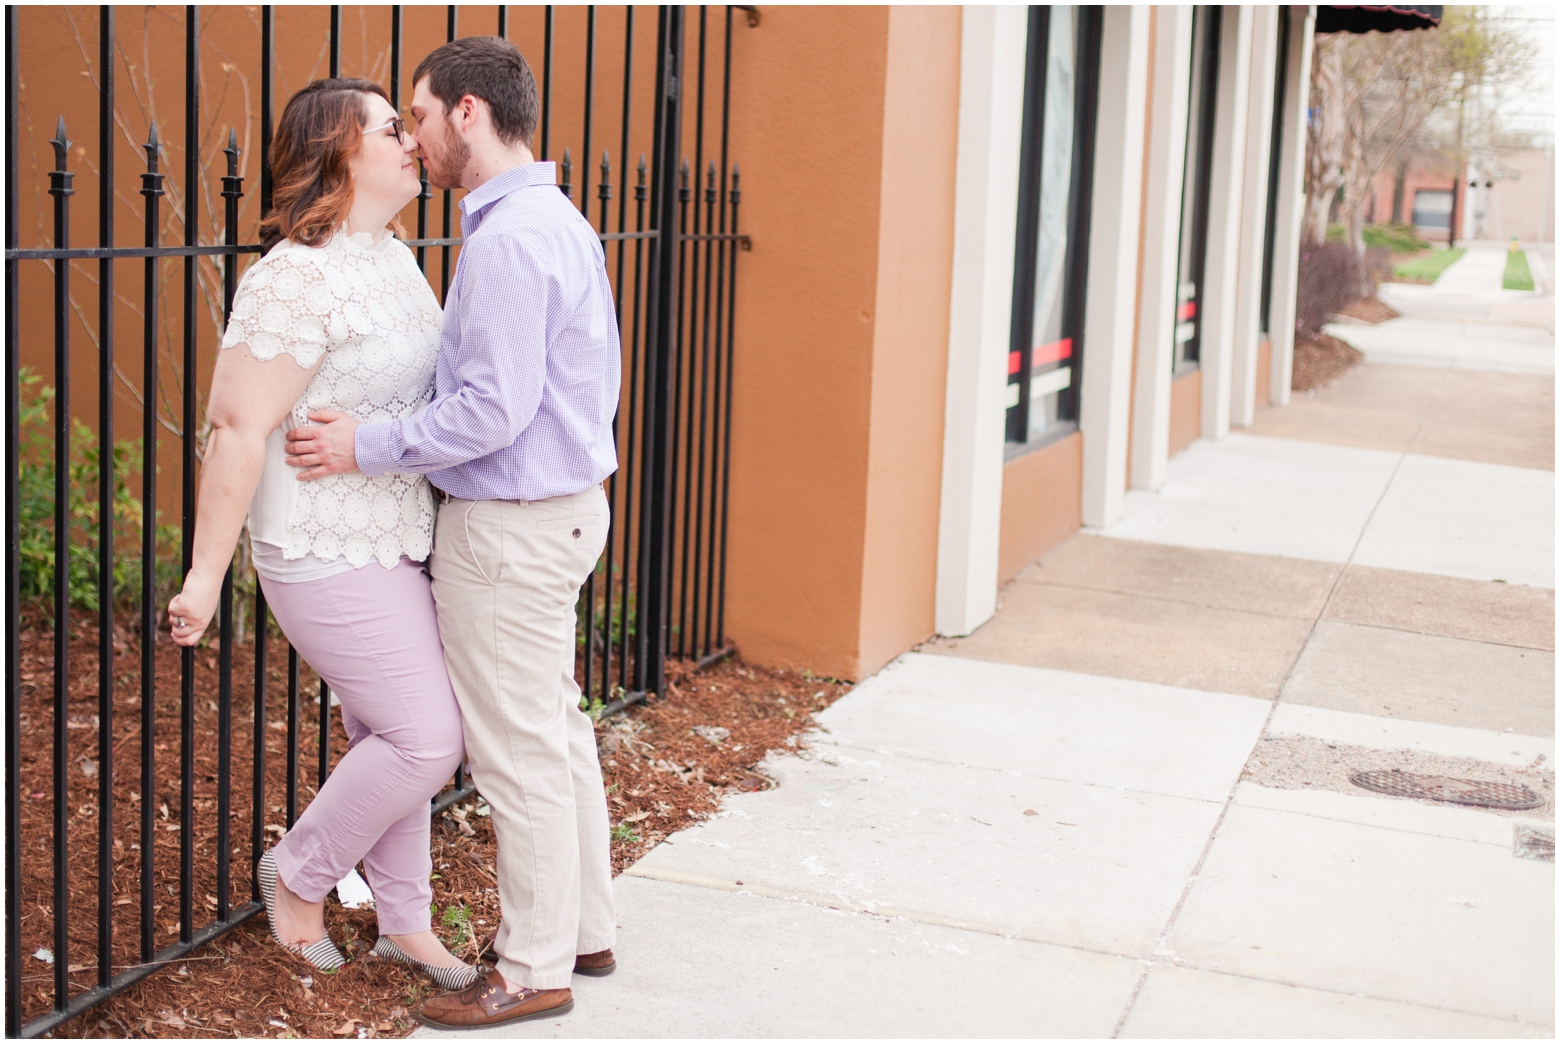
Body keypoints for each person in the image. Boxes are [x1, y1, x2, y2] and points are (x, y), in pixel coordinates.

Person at [283, 36, 621, 1029]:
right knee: (553, 733)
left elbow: (491, 414)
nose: (413, 138)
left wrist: (365, 446)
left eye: (419, 117)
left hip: (512, 529)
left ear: (468, 112)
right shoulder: (557, 223)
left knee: (516, 753)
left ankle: (529, 969)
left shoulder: (511, 240)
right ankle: (581, 931)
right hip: (559, 514)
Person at [167, 77, 478, 990]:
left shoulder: (391, 260)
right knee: (427, 736)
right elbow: (236, 430)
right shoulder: (292, 279)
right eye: (392, 127)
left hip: (397, 536)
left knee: (391, 730)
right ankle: (299, 877)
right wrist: (204, 577)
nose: (412, 140)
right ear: (340, 151)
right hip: (320, 547)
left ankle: (405, 922)